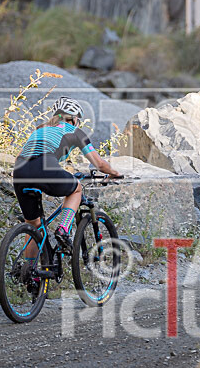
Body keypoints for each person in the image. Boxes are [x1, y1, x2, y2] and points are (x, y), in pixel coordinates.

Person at [13, 97, 122, 258]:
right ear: (75, 119)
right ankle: (63, 230)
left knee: (33, 224)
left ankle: (29, 269)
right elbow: (99, 163)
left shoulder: (40, 129)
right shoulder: (75, 132)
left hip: (19, 171)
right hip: (44, 167)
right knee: (76, 189)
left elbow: (22, 156)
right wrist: (114, 173)